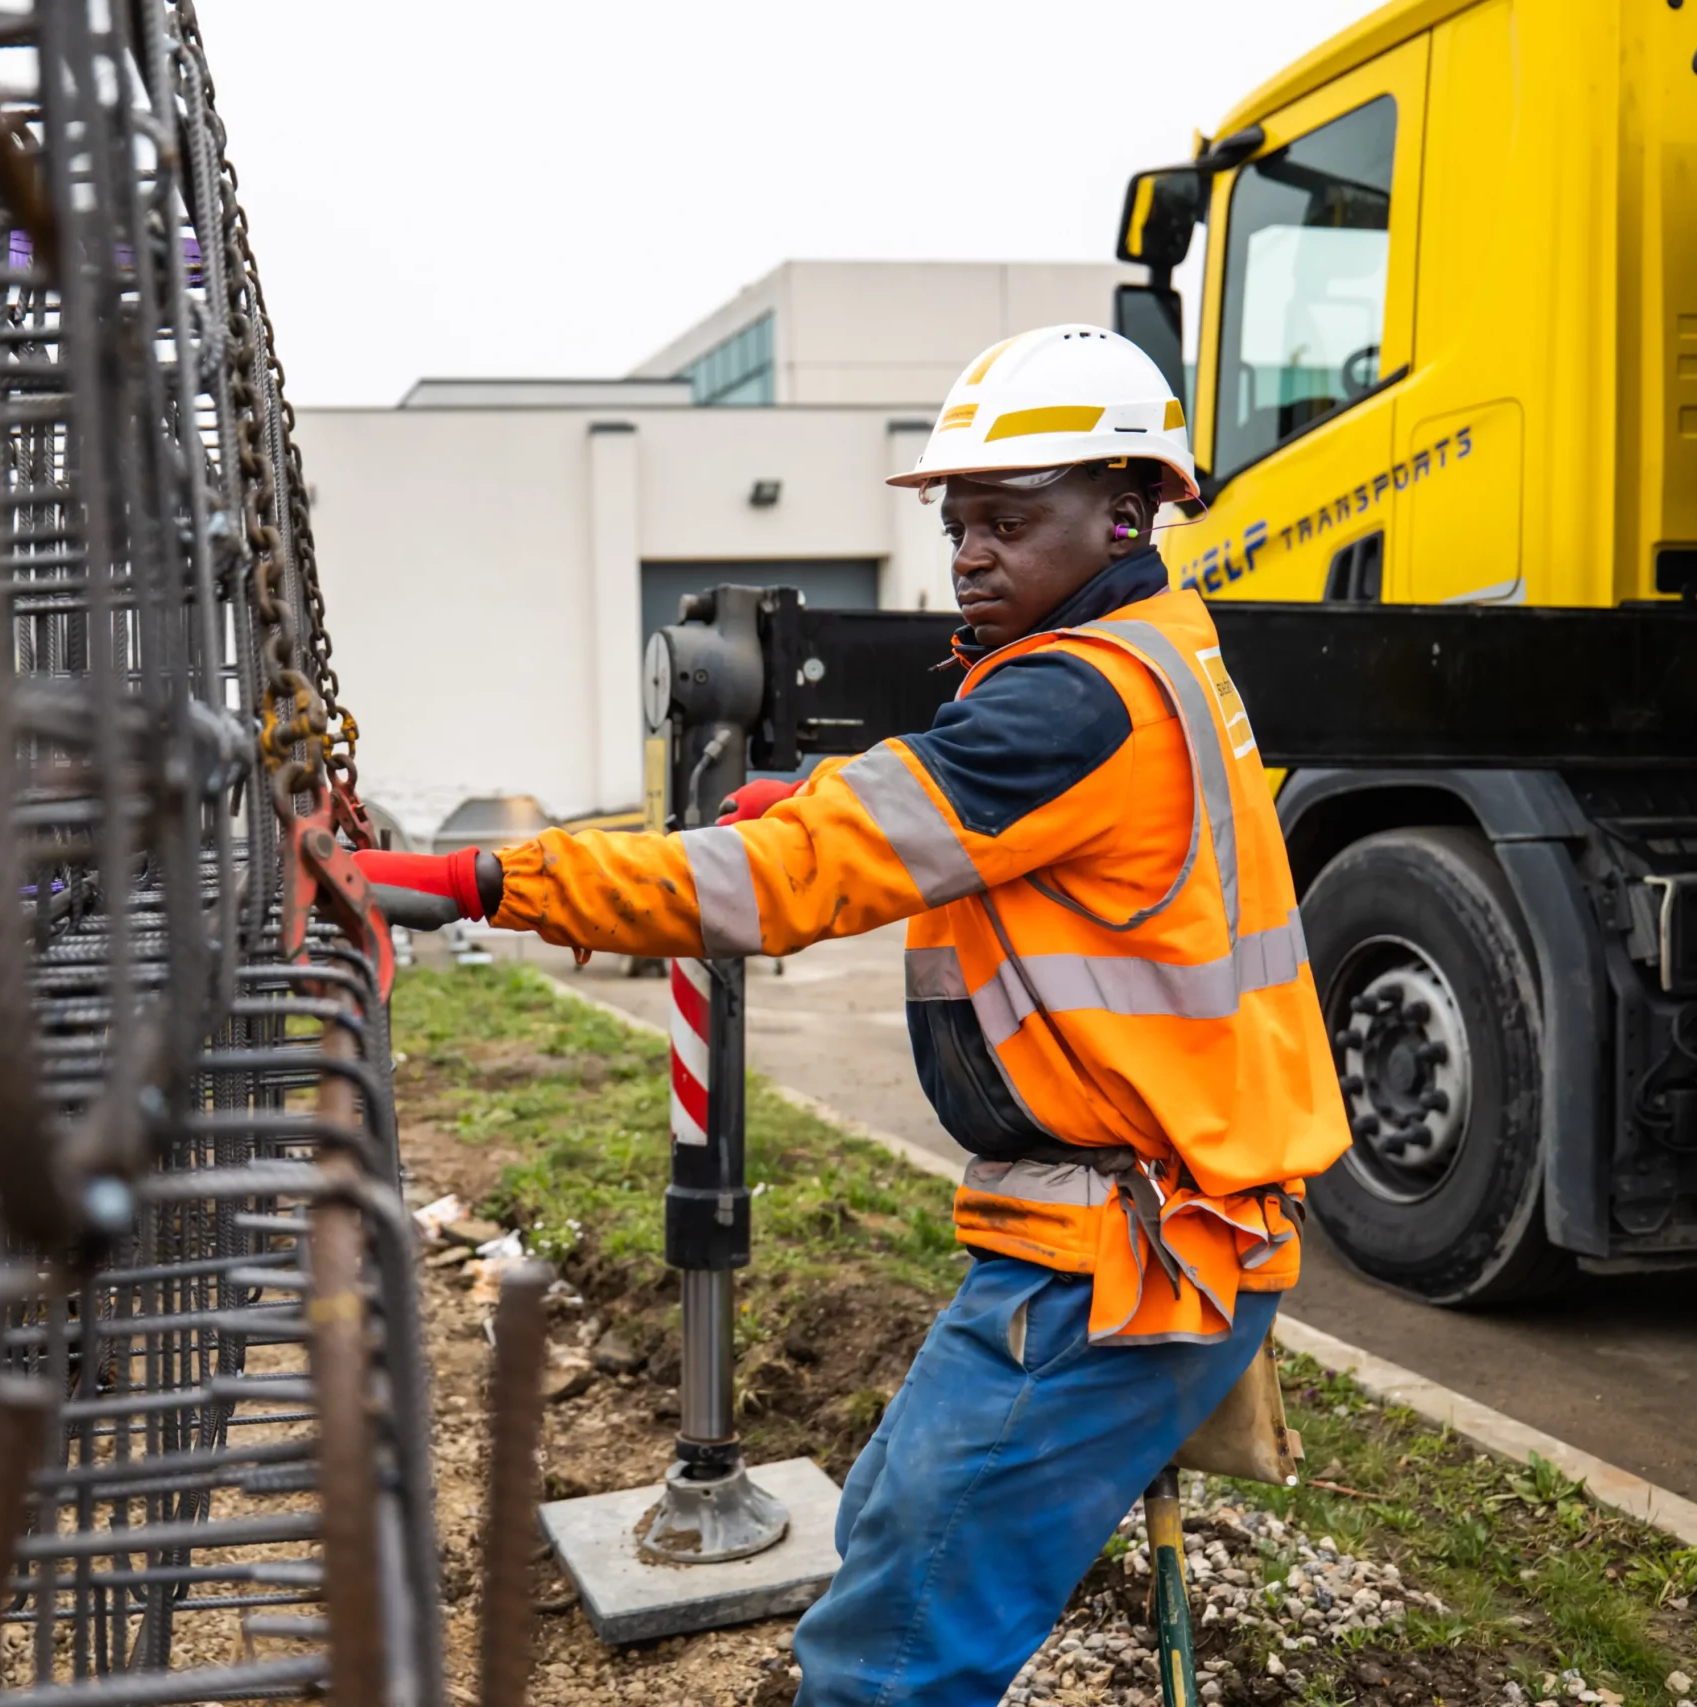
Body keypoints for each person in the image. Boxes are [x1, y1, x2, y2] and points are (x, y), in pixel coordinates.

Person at [356, 323, 1349, 1706]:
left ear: (1126, 509)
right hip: (1146, 1224)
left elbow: (792, 879)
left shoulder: (1069, 703)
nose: (972, 550)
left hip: (1120, 1262)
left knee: (889, 1655)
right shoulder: (1154, 651)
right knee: (895, 1520)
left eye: (1010, 518)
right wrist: (819, 805)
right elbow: (980, 824)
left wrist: (478, 878)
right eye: (960, 520)